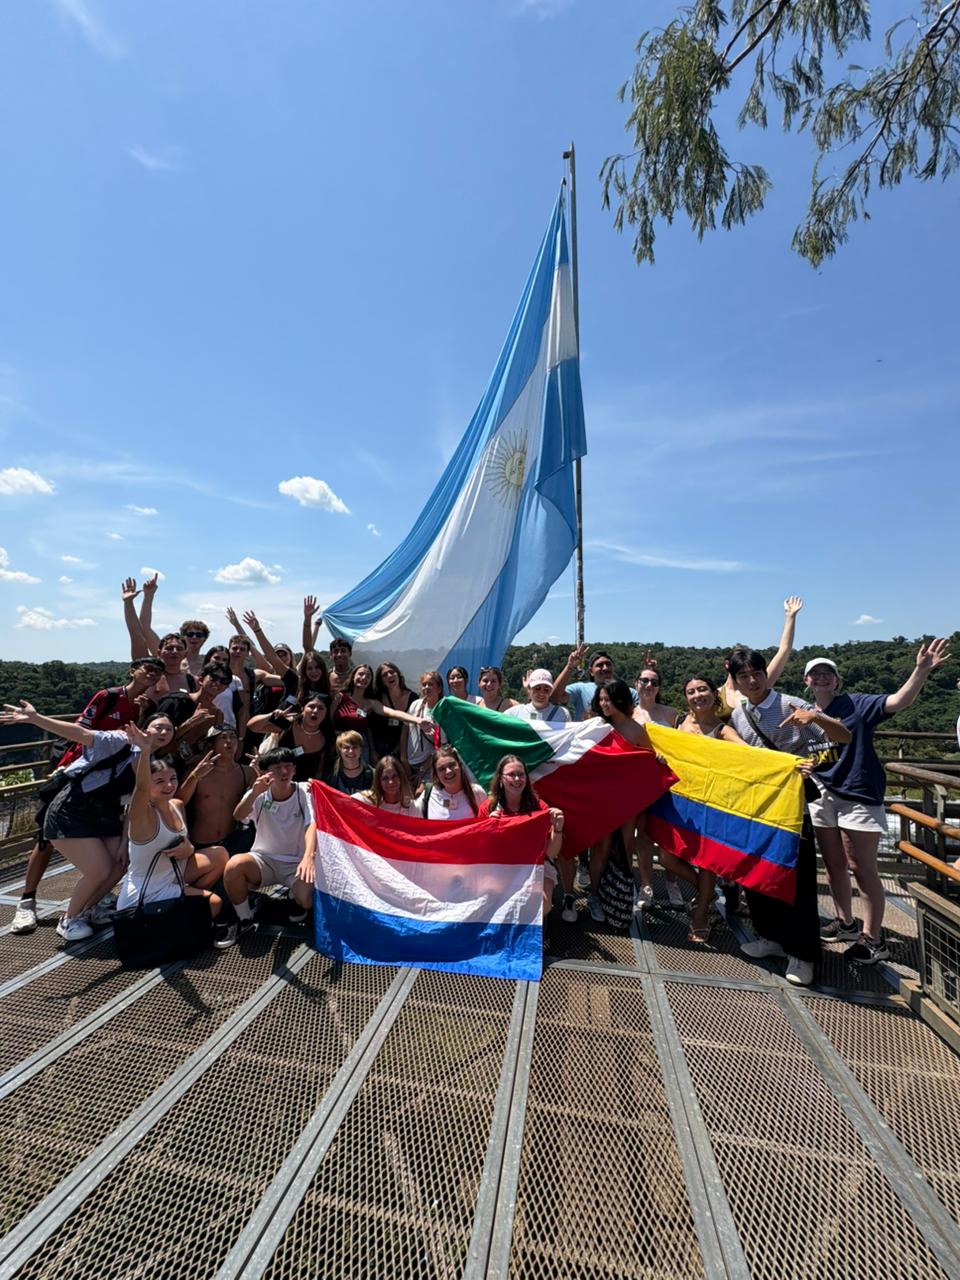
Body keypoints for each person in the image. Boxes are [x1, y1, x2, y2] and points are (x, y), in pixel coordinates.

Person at [805, 640, 951, 964]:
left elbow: (899, 701)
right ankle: (845, 923)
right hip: (823, 793)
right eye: (815, 673)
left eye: (828, 673)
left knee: (861, 867)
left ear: (837, 680)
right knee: (833, 864)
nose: (822, 677)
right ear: (807, 680)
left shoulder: (857, 704)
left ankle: (873, 939)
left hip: (858, 793)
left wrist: (921, 670)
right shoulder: (805, 713)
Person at [11, 656, 167, 936]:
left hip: (105, 811)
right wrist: (36, 719)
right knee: (97, 868)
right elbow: (81, 733)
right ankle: (62, 917)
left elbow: (134, 801)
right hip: (73, 805)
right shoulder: (119, 736)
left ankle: (88, 909)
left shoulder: (150, 759)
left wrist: (124, 843)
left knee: (119, 864)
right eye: (158, 727)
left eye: (169, 729)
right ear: (144, 728)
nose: (163, 732)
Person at [728, 648, 852, 986]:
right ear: (735, 681)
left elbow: (841, 740)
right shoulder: (740, 714)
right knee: (760, 872)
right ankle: (770, 936)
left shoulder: (791, 704)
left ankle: (803, 953)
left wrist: (815, 731)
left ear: (765, 673)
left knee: (796, 877)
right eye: (743, 676)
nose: (752, 681)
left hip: (793, 805)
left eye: (757, 673)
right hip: (757, 805)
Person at [669, 676, 748, 941]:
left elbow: (752, 755)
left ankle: (701, 912)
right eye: (691, 691)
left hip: (711, 804)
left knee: (707, 862)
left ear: (715, 694)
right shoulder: (678, 722)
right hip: (679, 800)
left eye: (702, 689)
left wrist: (788, 765)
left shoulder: (723, 731)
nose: (697, 695)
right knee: (667, 858)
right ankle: (708, 892)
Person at [119, 725, 224, 921]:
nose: (169, 785)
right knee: (214, 903)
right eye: (159, 781)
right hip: (145, 894)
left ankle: (184, 900)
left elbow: (186, 840)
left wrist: (189, 848)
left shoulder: (175, 805)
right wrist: (145, 751)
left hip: (171, 877)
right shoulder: (143, 816)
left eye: (173, 779)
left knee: (220, 855)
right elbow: (141, 789)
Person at [215, 747, 315, 947]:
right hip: (264, 860)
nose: (284, 772)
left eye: (288, 766)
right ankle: (244, 919)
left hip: (296, 863)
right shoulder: (259, 793)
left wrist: (308, 857)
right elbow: (238, 815)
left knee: (307, 900)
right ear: (266, 772)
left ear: (295, 769)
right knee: (234, 865)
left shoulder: (304, 790)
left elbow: (311, 824)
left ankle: (294, 897)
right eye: (277, 768)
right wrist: (254, 793)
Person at [585, 681, 655, 923]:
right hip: (601, 799)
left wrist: (659, 760)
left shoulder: (636, 730)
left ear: (621, 699)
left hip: (627, 802)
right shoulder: (596, 726)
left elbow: (648, 760)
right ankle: (594, 896)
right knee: (601, 848)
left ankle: (620, 898)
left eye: (608, 699)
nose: (604, 704)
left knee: (625, 849)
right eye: (601, 699)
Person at [480, 755, 565, 921]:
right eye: (511, 775)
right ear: (500, 779)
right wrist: (488, 828)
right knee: (490, 899)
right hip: (500, 866)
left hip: (533, 865)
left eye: (521, 774)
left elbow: (551, 853)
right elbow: (481, 850)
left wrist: (558, 829)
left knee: (542, 903)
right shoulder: (488, 808)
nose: (517, 779)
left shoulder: (539, 807)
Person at [176, 725, 254, 856]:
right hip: (201, 842)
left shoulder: (247, 772)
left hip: (232, 840)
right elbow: (178, 802)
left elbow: (261, 799)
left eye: (232, 737)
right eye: (223, 738)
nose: (229, 741)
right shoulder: (198, 771)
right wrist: (195, 776)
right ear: (211, 745)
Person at [719, 597, 804, 718]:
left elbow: (784, 649)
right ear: (727, 664)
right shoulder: (714, 694)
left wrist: (790, 616)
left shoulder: (758, 684)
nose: (751, 679)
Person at [248, 693, 330, 781]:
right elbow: (252, 726)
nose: (315, 711)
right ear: (302, 709)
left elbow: (319, 772)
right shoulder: (288, 724)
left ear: (326, 713)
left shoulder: (327, 736)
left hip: (303, 786)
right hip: (275, 781)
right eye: (311, 706)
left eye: (321, 708)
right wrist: (272, 715)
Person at [550, 646, 638, 721]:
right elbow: (555, 697)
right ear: (591, 671)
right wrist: (569, 667)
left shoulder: (629, 692)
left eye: (608, 664)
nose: (605, 668)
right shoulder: (581, 689)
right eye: (600, 665)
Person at [419, 746, 485, 819]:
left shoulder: (477, 792)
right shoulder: (428, 794)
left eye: (452, 765)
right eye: (441, 769)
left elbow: (487, 818)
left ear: (460, 765)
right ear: (436, 774)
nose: (448, 771)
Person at [406, 671, 444, 787]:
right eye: (424, 684)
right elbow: (405, 729)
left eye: (431, 684)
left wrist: (423, 769)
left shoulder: (443, 711)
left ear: (439, 688)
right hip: (410, 762)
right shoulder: (416, 705)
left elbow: (442, 747)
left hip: (429, 765)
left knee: (421, 793)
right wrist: (403, 758)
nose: (427, 687)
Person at [506, 670, 571, 724]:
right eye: (537, 688)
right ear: (529, 689)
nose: (541, 693)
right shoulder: (513, 714)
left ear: (551, 691)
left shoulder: (562, 714)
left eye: (546, 689)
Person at [325, 730, 374, 795]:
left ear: (361, 750)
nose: (351, 751)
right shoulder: (332, 778)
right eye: (346, 747)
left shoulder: (373, 775)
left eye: (355, 747)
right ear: (339, 751)